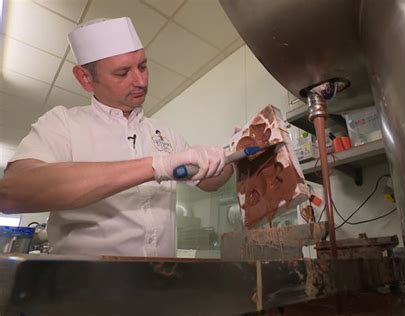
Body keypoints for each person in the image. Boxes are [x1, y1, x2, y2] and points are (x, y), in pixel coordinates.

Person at [0, 17, 233, 257]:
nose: (141, 81)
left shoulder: (164, 134)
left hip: (160, 284)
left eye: (142, 66)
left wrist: (233, 153)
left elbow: (210, 182)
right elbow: (11, 193)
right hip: (87, 288)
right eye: (122, 73)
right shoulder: (62, 124)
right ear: (85, 79)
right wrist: (156, 165)